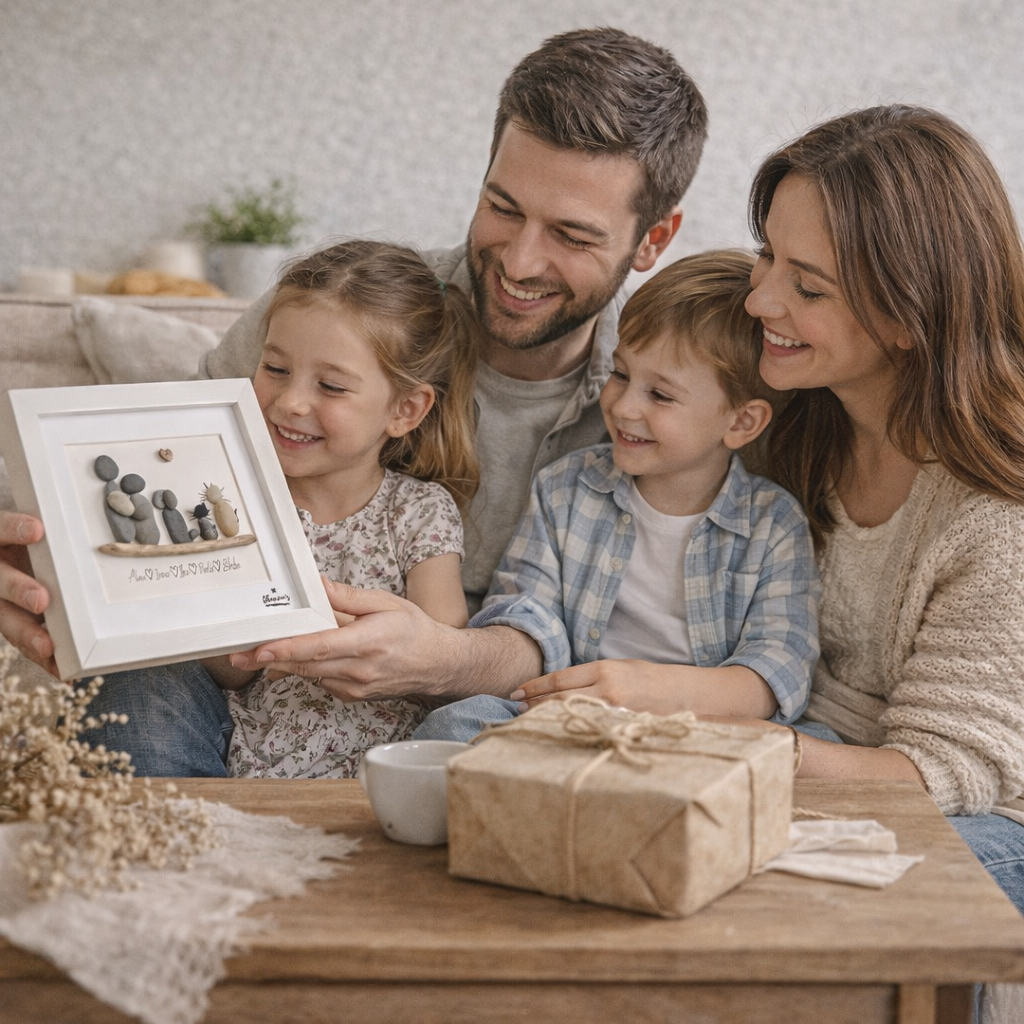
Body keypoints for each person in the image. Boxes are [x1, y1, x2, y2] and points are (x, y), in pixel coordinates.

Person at [0, 28, 710, 765]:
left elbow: (593, 654)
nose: (520, 259)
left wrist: (446, 658)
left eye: (570, 234)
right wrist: (49, 555)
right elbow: (159, 480)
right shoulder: (336, 310)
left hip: (475, 714)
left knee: (479, 735)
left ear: (653, 240)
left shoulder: (669, 402)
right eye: (502, 206)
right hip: (239, 708)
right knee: (136, 684)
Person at [738, 106, 1024, 934]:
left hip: (979, 819)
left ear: (906, 316)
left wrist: (720, 750)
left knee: (770, 902)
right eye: (766, 255)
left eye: (807, 286)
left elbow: (940, 775)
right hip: (819, 759)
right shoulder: (793, 413)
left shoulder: (996, 511)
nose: (760, 299)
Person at [86, 240, 481, 776]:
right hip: (237, 755)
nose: (290, 401)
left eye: (331, 386)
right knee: (129, 682)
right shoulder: (230, 496)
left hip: (375, 768)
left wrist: (344, 635)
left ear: (404, 409)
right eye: (275, 368)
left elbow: (438, 651)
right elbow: (228, 674)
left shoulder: (417, 511)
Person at [415, 250, 819, 742]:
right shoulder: (567, 486)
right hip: (572, 713)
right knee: (452, 724)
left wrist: (656, 698)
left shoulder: (773, 524)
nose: (623, 405)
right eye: (621, 374)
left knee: (812, 749)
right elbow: (525, 608)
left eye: (661, 395)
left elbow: (778, 670)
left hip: (700, 728)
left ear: (741, 422)